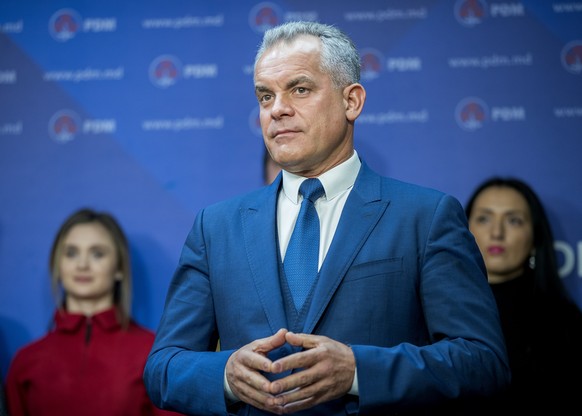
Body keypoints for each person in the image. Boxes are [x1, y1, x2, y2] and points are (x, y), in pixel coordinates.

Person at [144, 21, 510, 415]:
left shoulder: (425, 217)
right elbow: (163, 369)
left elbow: (483, 362)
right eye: (265, 96)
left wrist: (358, 371)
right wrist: (225, 376)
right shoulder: (215, 227)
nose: (277, 109)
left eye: (299, 89)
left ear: (351, 101)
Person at [4, 208, 183, 416]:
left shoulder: (153, 355)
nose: (82, 264)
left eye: (97, 253)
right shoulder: (26, 361)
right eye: (71, 253)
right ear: (58, 265)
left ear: (118, 269)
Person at [465, 177, 582, 413]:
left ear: (534, 240)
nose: (497, 232)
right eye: (484, 218)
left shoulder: (564, 321)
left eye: (514, 220)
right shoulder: (432, 310)